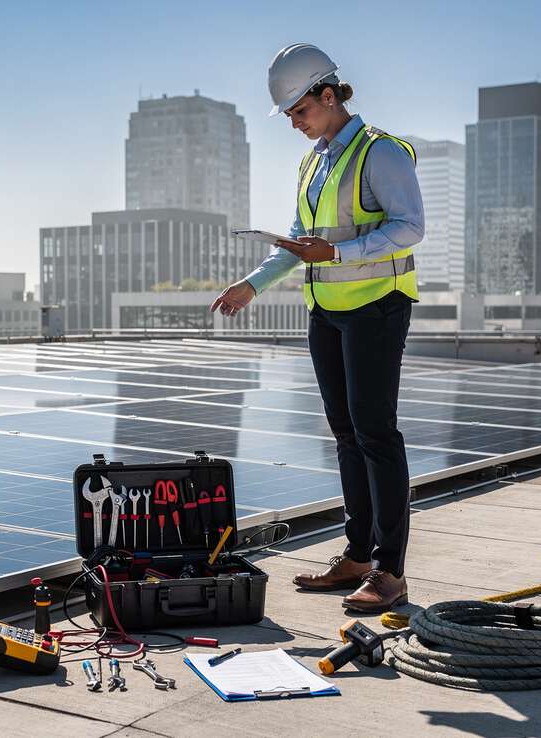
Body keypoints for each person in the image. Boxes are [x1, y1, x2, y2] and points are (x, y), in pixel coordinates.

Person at [210, 43, 423, 614]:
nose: (295, 124)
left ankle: (389, 571)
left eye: (299, 112)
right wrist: (251, 284)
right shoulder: (315, 161)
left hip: (378, 304)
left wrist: (337, 251)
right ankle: (356, 555)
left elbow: (409, 228)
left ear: (328, 96)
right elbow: (301, 240)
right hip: (326, 310)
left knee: (376, 434)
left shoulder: (382, 153)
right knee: (346, 434)